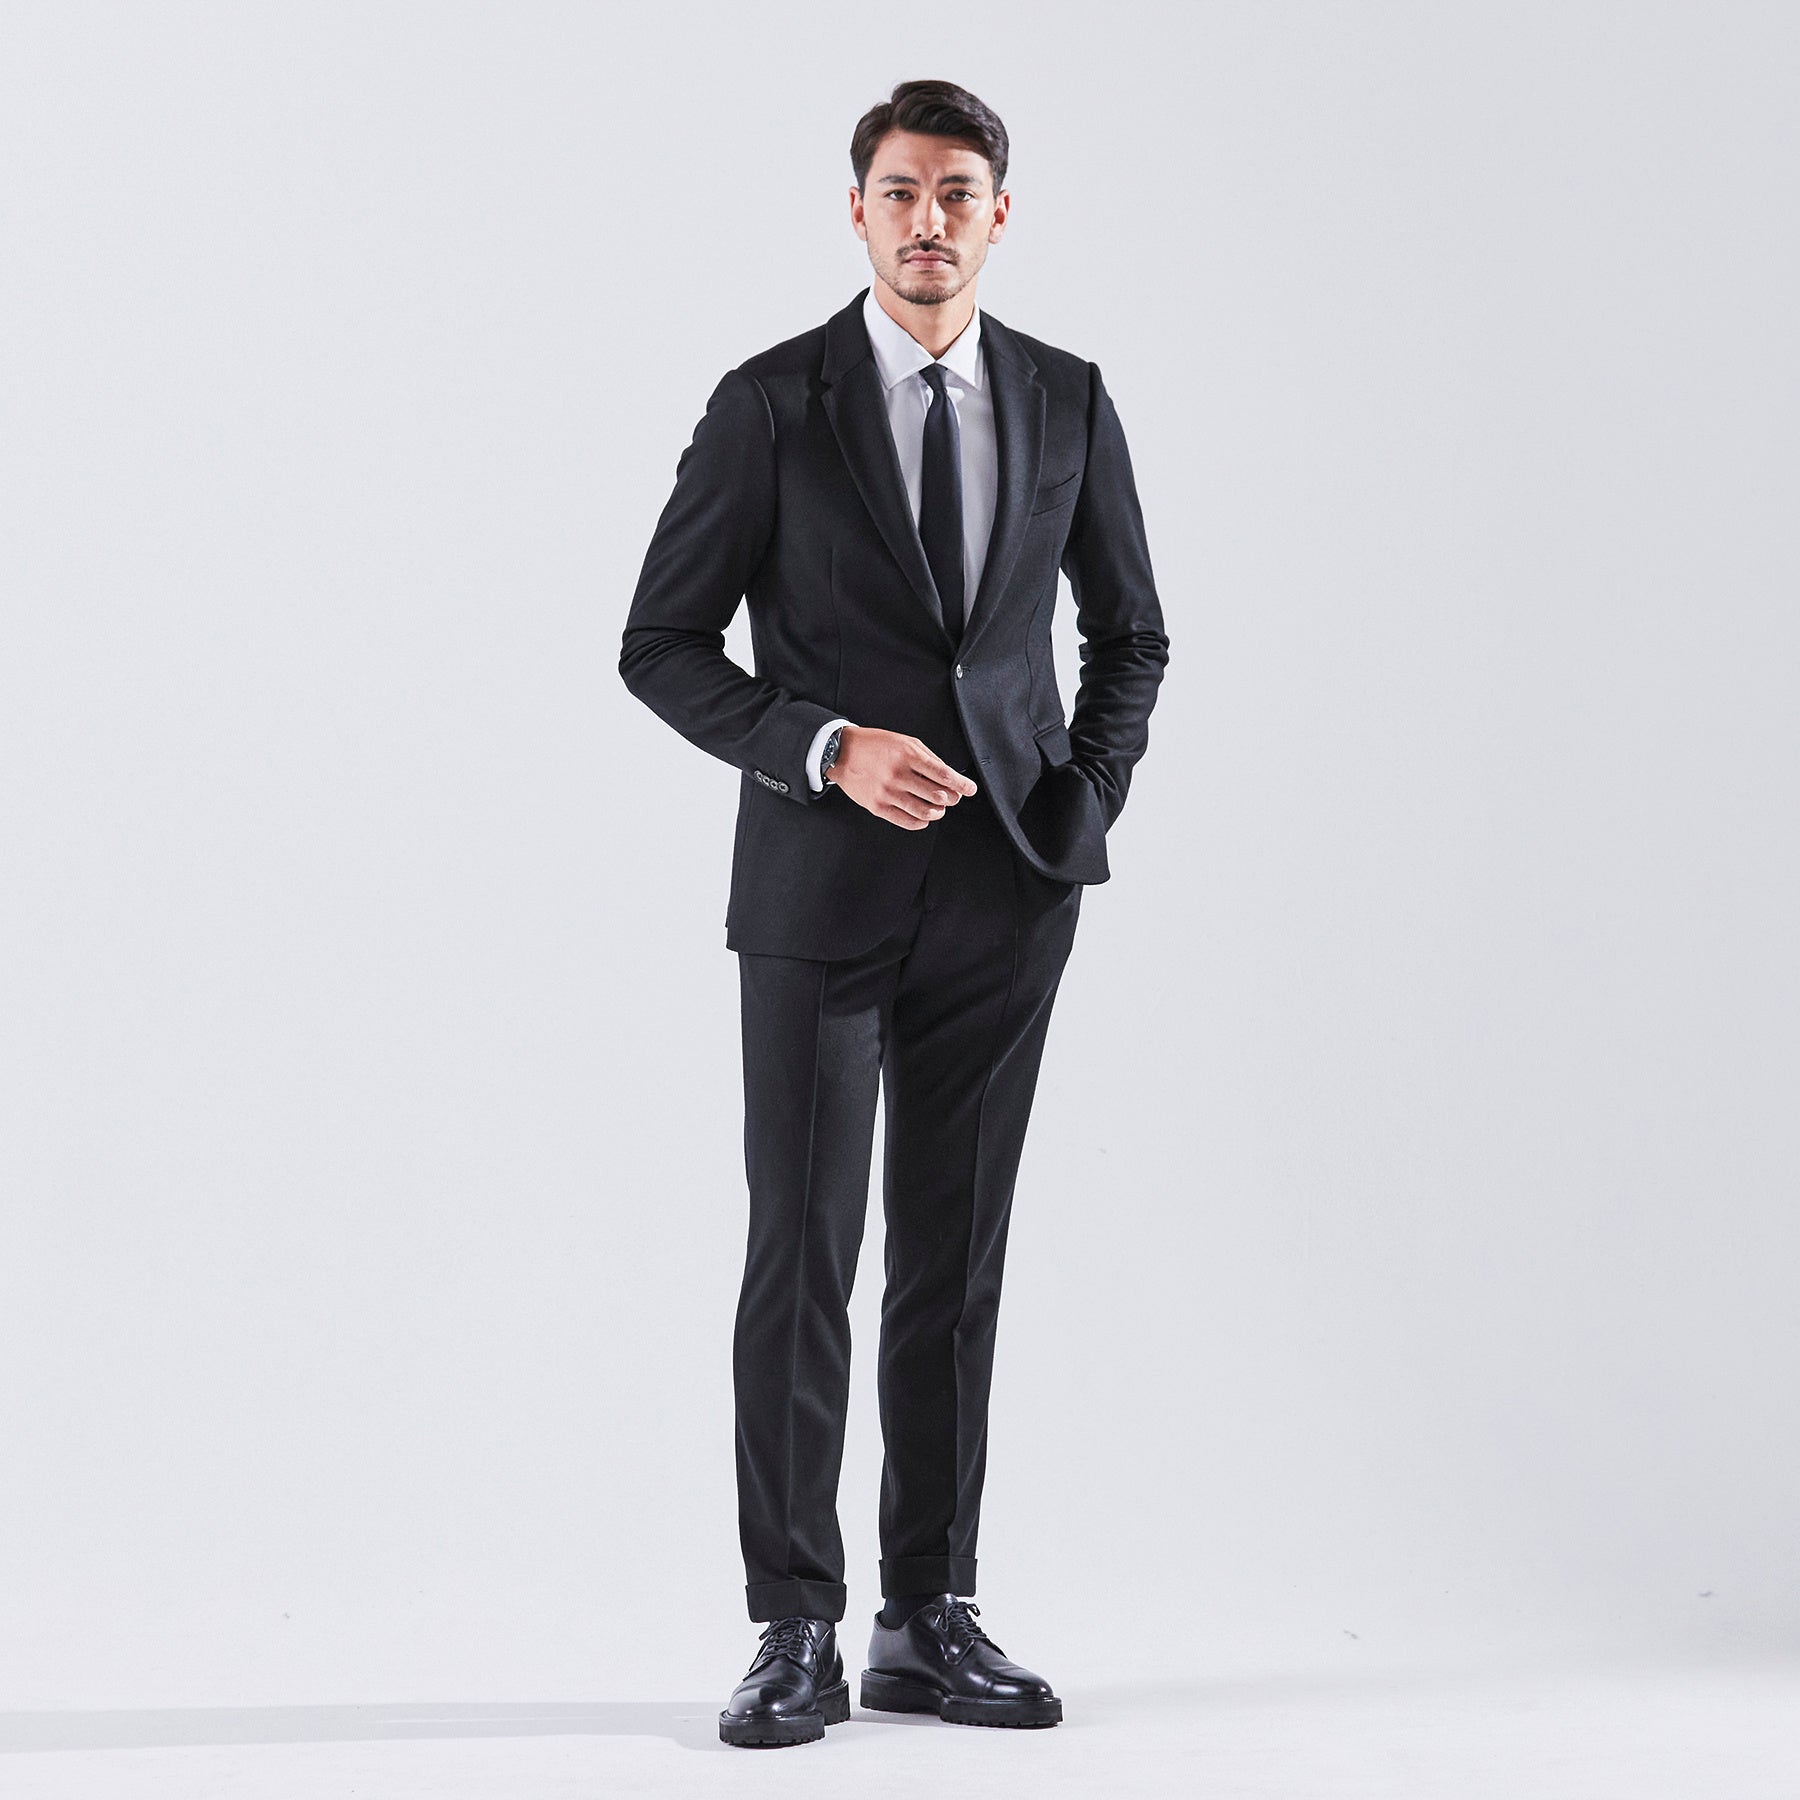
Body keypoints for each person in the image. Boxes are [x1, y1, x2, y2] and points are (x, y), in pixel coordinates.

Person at [618, 77, 1169, 1749]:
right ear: (856, 211)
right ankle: (794, 1622)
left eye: (958, 193)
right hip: (817, 898)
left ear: (1001, 215)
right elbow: (661, 644)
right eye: (901, 192)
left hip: (1007, 897)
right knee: (803, 1253)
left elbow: (1130, 634)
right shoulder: (771, 404)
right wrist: (822, 747)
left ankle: (927, 1612)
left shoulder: (1067, 399)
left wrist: (1076, 799)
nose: (930, 221)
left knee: (954, 1258)